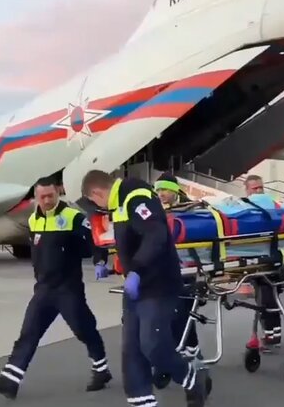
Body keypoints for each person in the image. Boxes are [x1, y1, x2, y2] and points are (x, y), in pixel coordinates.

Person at [81, 170, 209, 407]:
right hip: (136, 286)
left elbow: (155, 235)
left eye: (95, 201)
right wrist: (107, 264)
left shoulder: (136, 195)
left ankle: (191, 377)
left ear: (97, 193)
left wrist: (137, 270)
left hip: (158, 283)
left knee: (153, 345)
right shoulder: (119, 204)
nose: (98, 206)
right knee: (131, 350)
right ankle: (142, 401)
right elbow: (128, 239)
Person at [0, 176, 111, 399]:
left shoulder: (72, 217)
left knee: (84, 330)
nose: (47, 200)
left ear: (58, 193)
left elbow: (95, 239)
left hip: (68, 289)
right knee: (28, 334)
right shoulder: (34, 220)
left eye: (50, 195)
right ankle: (9, 381)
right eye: (42, 197)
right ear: (36, 197)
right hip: (43, 290)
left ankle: (101, 369)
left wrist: (100, 260)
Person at [152, 173, 204, 387]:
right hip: (165, 268)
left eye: (165, 189)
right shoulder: (154, 210)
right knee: (172, 315)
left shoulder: (190, 210)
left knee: (182, 312)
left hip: (188, 266)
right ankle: (188, 350)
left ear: (174, 190)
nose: (161, 193)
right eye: (158, 190)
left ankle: (190, 350)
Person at [243, 175, 284, 349]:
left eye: (261, 187)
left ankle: (272, 334)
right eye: (255, 188)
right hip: (253, 257)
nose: (259, 191)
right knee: (264, 295)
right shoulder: (243, 208)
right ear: (247, 190)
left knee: (267, 294)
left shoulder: (274, 205)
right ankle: (271, 333)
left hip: (273, 256)